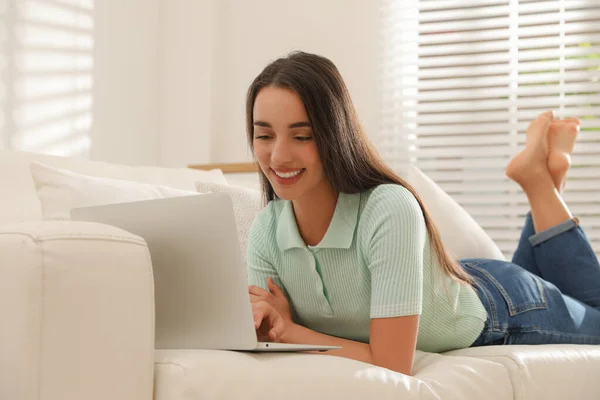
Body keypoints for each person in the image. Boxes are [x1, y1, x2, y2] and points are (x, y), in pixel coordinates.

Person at [245, 51, 600, 376]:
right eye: (264, 136)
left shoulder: (388, 207)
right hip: (449, 282)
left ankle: (540, 183)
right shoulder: (265, 229)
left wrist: (291, 331)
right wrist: (278, 332)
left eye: (301, 136)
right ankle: (547, 181)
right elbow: (263, 339)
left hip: (501, 308)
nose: (277, 157)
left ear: (335, 135)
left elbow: (391, 364)